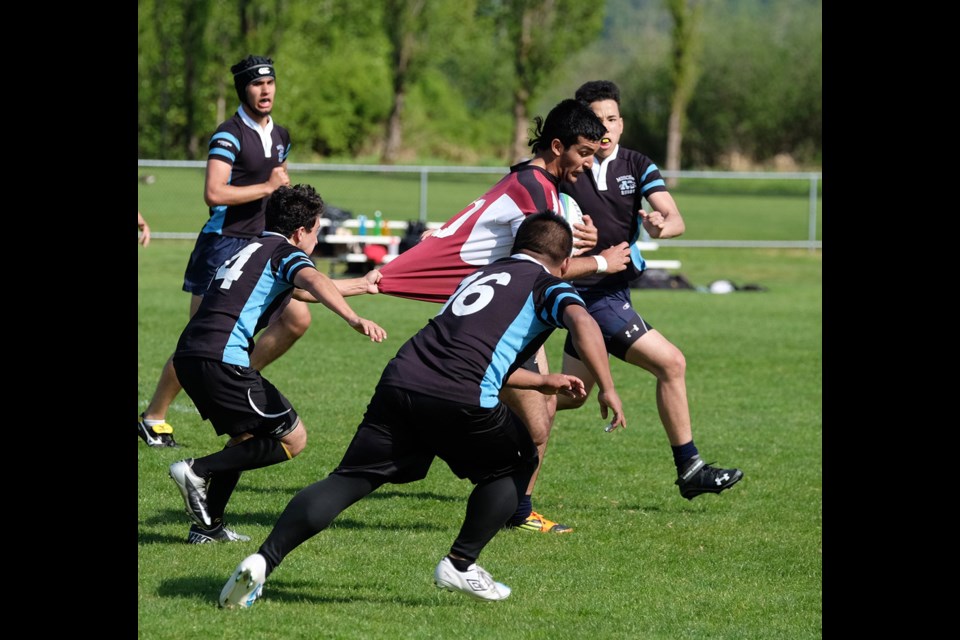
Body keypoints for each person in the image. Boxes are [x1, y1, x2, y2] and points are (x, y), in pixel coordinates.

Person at [218, 211, 625, 607]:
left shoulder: (479, 276)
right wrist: (606, 387)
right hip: (460, 396)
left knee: (350, 478)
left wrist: (539, 381)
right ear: (565, 262)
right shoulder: (546, 284)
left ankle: (263, 560)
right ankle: (461, 563)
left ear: (517, 246)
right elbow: (583, 323)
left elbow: (469, 353)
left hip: (403, 380)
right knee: (517, 461)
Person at [376, 99, 633, 534]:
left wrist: (579, 239)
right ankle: (513, 509)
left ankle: (501, 491)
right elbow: (551, 268)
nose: (589, 165)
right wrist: (604, 262)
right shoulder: (535, 191)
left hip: (509, 315)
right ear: (557, 146)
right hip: (498, 320)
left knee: (547, 408)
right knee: (535, 423)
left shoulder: (536, 183)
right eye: (584, 153)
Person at [168, 184, 387, 544]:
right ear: (301, 232)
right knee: (292, 439)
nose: (317, 239)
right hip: (223, 357)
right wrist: (353, 318)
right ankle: (196, 470)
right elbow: (313, 278)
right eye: (317, 231)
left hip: (192, 355)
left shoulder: (255, 248)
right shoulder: (286, 253)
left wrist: (362, 285)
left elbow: (302, 289)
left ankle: (207, 529)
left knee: (246, 438)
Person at [557, 80, 742, 499]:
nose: (604, 128)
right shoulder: (568, 166)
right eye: (595, 121)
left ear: (621, 123)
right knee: (671, 363)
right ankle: (690, 467)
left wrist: (662, 226)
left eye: (611, 119)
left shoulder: (637, 165)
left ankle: (487, 426)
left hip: (616, 292)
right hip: (590, 293)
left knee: (569, 394)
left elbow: (674, 217)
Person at [139, 55, 312, 448]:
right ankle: (154, 417)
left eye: (269, 82)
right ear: (243, 90)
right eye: (256, 84)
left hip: (261, 246)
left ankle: (230, 384)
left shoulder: (281, 136)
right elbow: (214, 193)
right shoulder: (228, 135)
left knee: (297, 319)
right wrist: (267, 187)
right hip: (222, 246)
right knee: (198, 341)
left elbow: (278, 190)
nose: (265, 90)